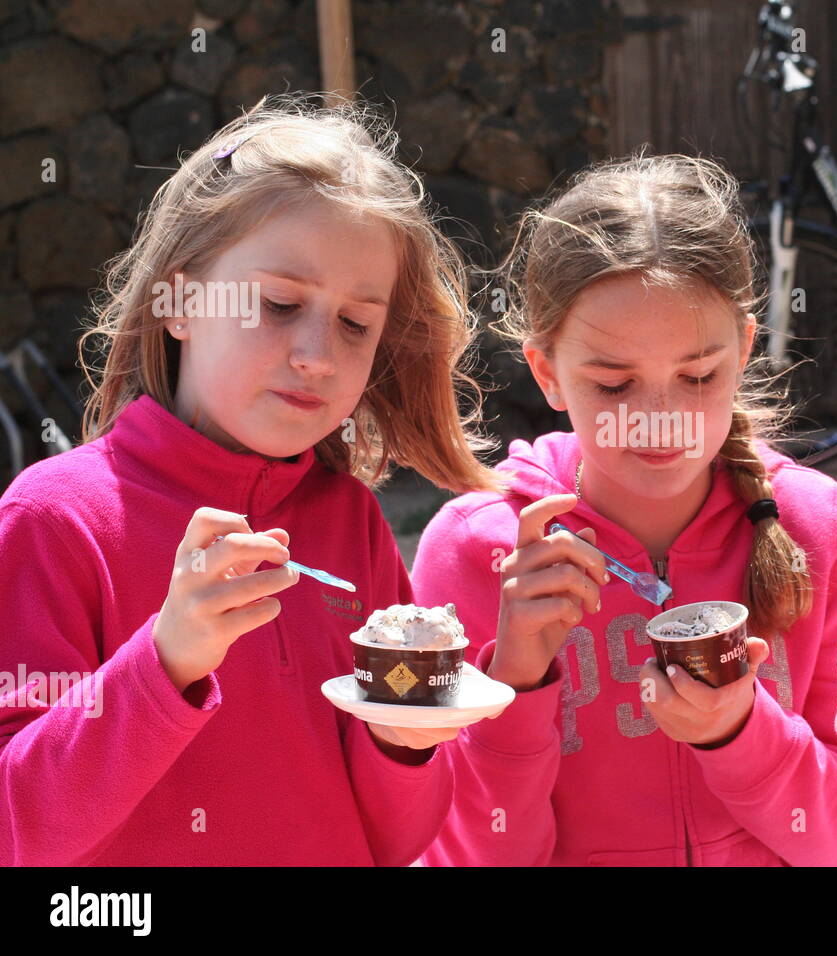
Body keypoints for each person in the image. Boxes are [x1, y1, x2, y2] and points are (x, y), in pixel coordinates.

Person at [0, 93, 502, 865]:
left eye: (356, 323)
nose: (318, 355)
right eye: (278, 303)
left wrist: (404, 744)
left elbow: (398, 841)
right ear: (178, 302)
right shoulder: (55, 521)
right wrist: (164, 662)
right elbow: (18, 830)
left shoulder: (351, 521)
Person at [415, 153, 837, 866]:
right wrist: (516, 685)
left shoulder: (820, 530)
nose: (660, 420)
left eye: (698, 376)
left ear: (744, 348)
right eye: (614, 385)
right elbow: (470, 853)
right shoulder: (473, 549)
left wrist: (740, 732)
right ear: (547, 372)